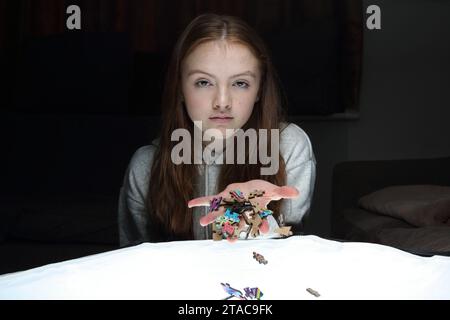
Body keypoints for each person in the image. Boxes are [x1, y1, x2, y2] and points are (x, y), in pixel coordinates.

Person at [118, 13, 316, 247]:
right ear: (180, 88)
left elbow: (292, 253)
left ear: (259, 90)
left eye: (240, 83)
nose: (222, 101)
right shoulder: (146, 165)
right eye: (204, 82)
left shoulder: (288, 146)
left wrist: (248, 217)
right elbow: (132, 263)